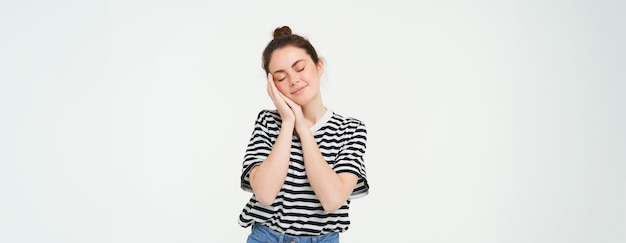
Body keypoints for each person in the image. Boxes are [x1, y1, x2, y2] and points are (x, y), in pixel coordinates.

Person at [238, 26, 369, 243]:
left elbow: (332, 199)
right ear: (272, 86)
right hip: (267, 237)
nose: (293, 80)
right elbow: (265, 194)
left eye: (300, 68)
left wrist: (303, 129)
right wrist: (288, 121)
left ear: (319, 66)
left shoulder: (351, 129)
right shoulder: (268, 123)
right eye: (281, 77)